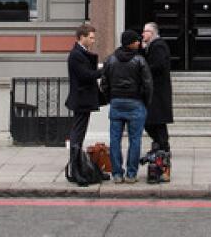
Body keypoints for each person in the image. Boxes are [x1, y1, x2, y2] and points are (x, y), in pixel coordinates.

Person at [100, 28, 153, 183]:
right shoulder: (140, 60)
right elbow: (148, 84)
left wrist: (110, 98)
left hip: (116, 102)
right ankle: (131, 174)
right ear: (130, 43)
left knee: (115, 139)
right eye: (136, 40)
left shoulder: (111, 59)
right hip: (136, 102)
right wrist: (146, 101)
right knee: (135, 139)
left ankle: (117, 174)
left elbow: (104, 83)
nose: (139, 42)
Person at [64, 23, 104, 185]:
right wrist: (104, 70)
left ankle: (78, 168)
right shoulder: (76, 55)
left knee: (79, 133)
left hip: (84, 98)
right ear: (82, 37)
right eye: (91, 38)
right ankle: (75, 170)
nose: (93, 41)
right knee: (77, 134)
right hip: (81, 99)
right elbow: (86, 75)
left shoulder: (82, 53)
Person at [141, 21, 173, 180]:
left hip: (158, 93)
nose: (142, 34)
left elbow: (158, 66)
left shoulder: (158, 46)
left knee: (154, 122)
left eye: (145, 32)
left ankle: (163, 148)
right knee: (154, 122)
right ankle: (161, 148)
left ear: (152, 33)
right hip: (155, 93)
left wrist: (143, 69)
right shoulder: (151, 46)